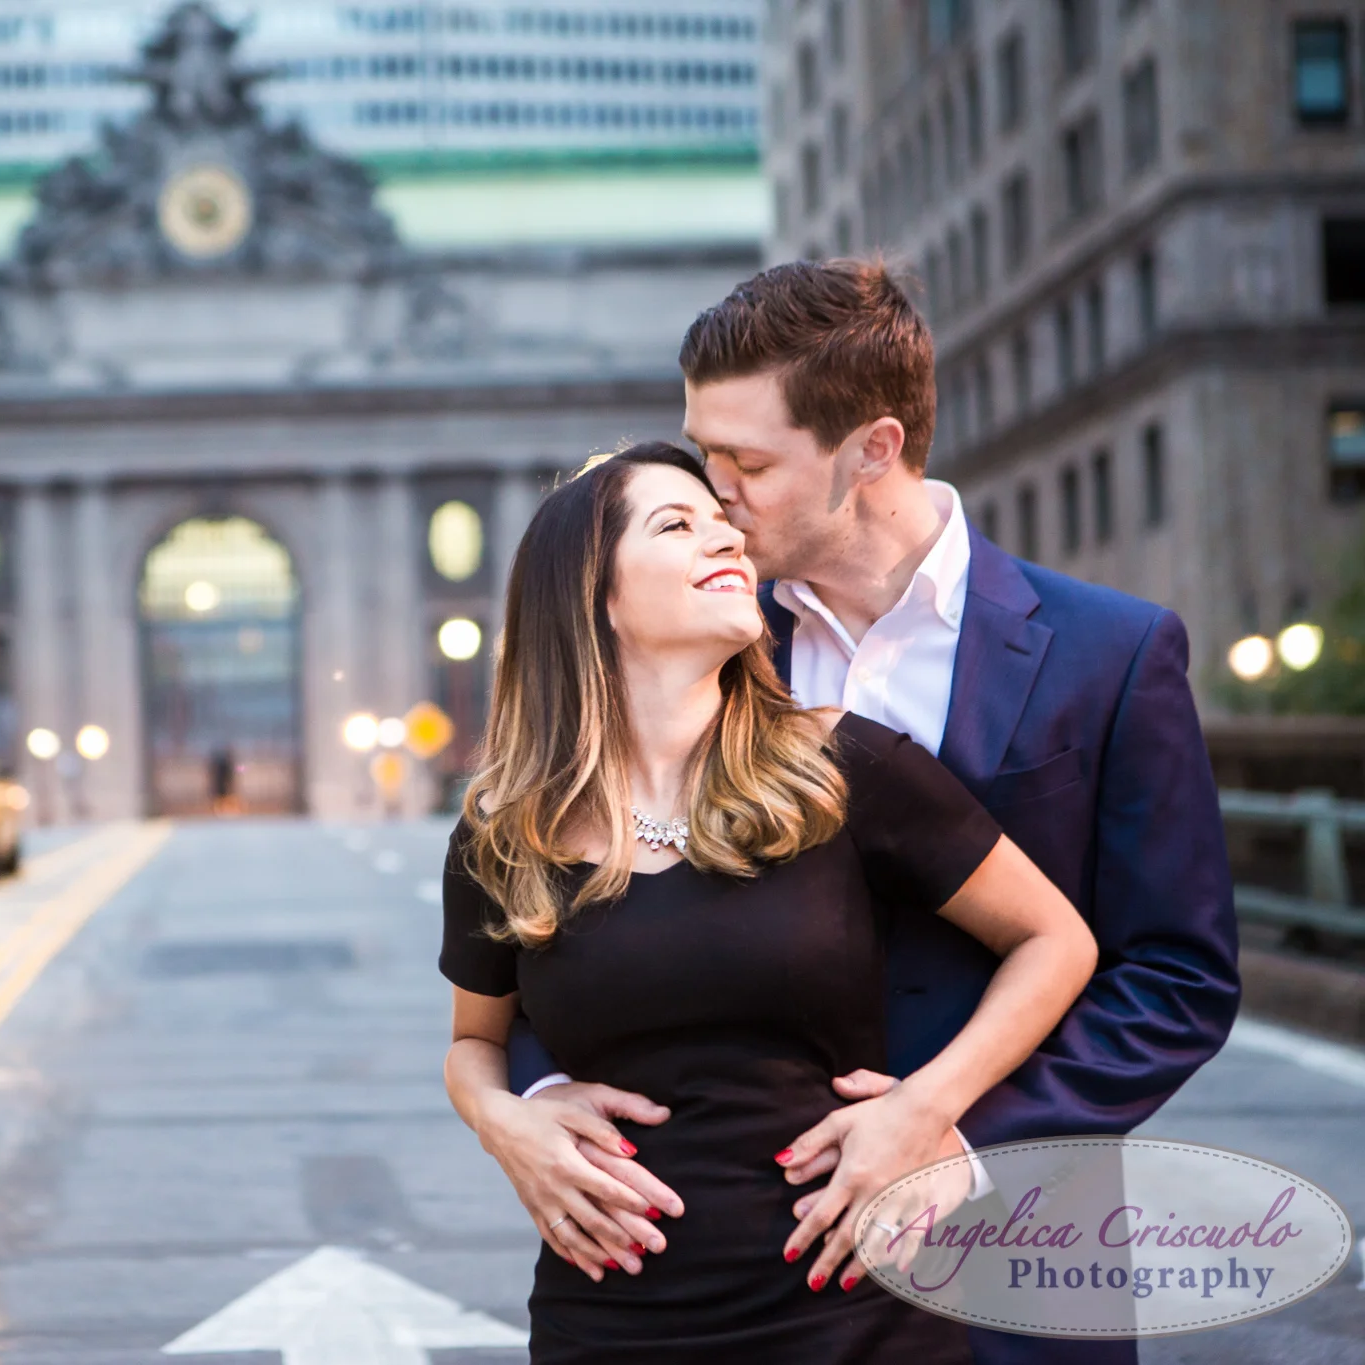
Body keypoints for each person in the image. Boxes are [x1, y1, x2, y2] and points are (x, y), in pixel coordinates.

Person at [485, 260, 1241, 1365]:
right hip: (735, 1278)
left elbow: (1174, 978)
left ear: (870, 451)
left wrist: (951, 1136)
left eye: (745, 462)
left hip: (1016, 1259)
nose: (714, 495)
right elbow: (572, 917)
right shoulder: (695, 643)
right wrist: (533, 1100)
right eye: (701, 457)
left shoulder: (1109, 655)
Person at [441, 441, 1099, 1362]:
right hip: (609, 1320)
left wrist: (927, 1106)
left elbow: (1055, 939)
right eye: (679, 525)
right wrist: (503, 1120)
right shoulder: (507, 831)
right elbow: (475, 1040)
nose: (727, 541)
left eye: (725, 524)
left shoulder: (842, 764)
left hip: (853, 1305)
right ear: (593, 595)